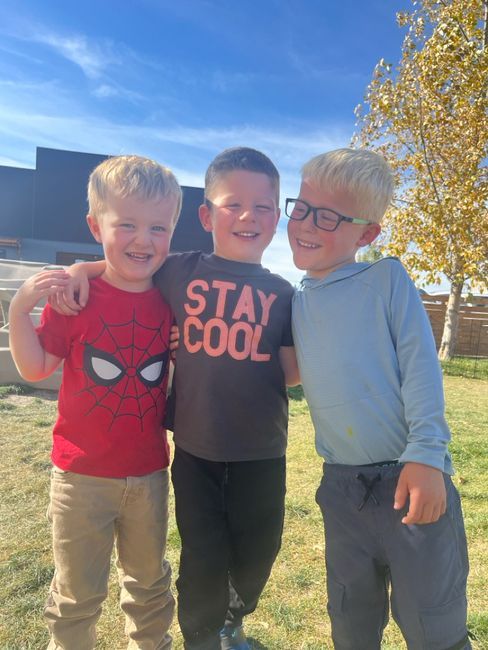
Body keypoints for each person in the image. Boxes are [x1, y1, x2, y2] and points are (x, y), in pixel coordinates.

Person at [50, 147, 299, 650]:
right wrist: (81, 268)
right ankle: (202, 636)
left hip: (261, 450)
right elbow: (127, 264)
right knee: (201, 555)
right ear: (206, 215)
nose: (247, 216)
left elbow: (292, 375)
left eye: (262, 207)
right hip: (194, 449)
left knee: (259, 549)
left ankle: (234, 618)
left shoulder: (285, 292)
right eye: (233, 204)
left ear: (277, 218)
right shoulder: (179, 270)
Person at [286, 148, 471, 650]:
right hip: (340, 489)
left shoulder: (386, 279)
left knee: (433, 621)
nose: (305, 223)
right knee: (350, 618)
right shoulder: (295, 301)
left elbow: (421, 367)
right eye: (301, 207)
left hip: (410, 478)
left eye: (327, 216)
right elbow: (282, 373)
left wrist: (427, 456)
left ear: (365, 234)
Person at [9, 154, 182, 650]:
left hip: (149, 474)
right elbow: (35, 367)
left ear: (173, 230)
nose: (143, 239)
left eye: (158, 227)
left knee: (149, 585)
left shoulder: (174, 296)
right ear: (94, 224)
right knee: (77, 593)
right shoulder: (76, 299)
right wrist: (22, 307)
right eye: (125, 224)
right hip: (79, 479)